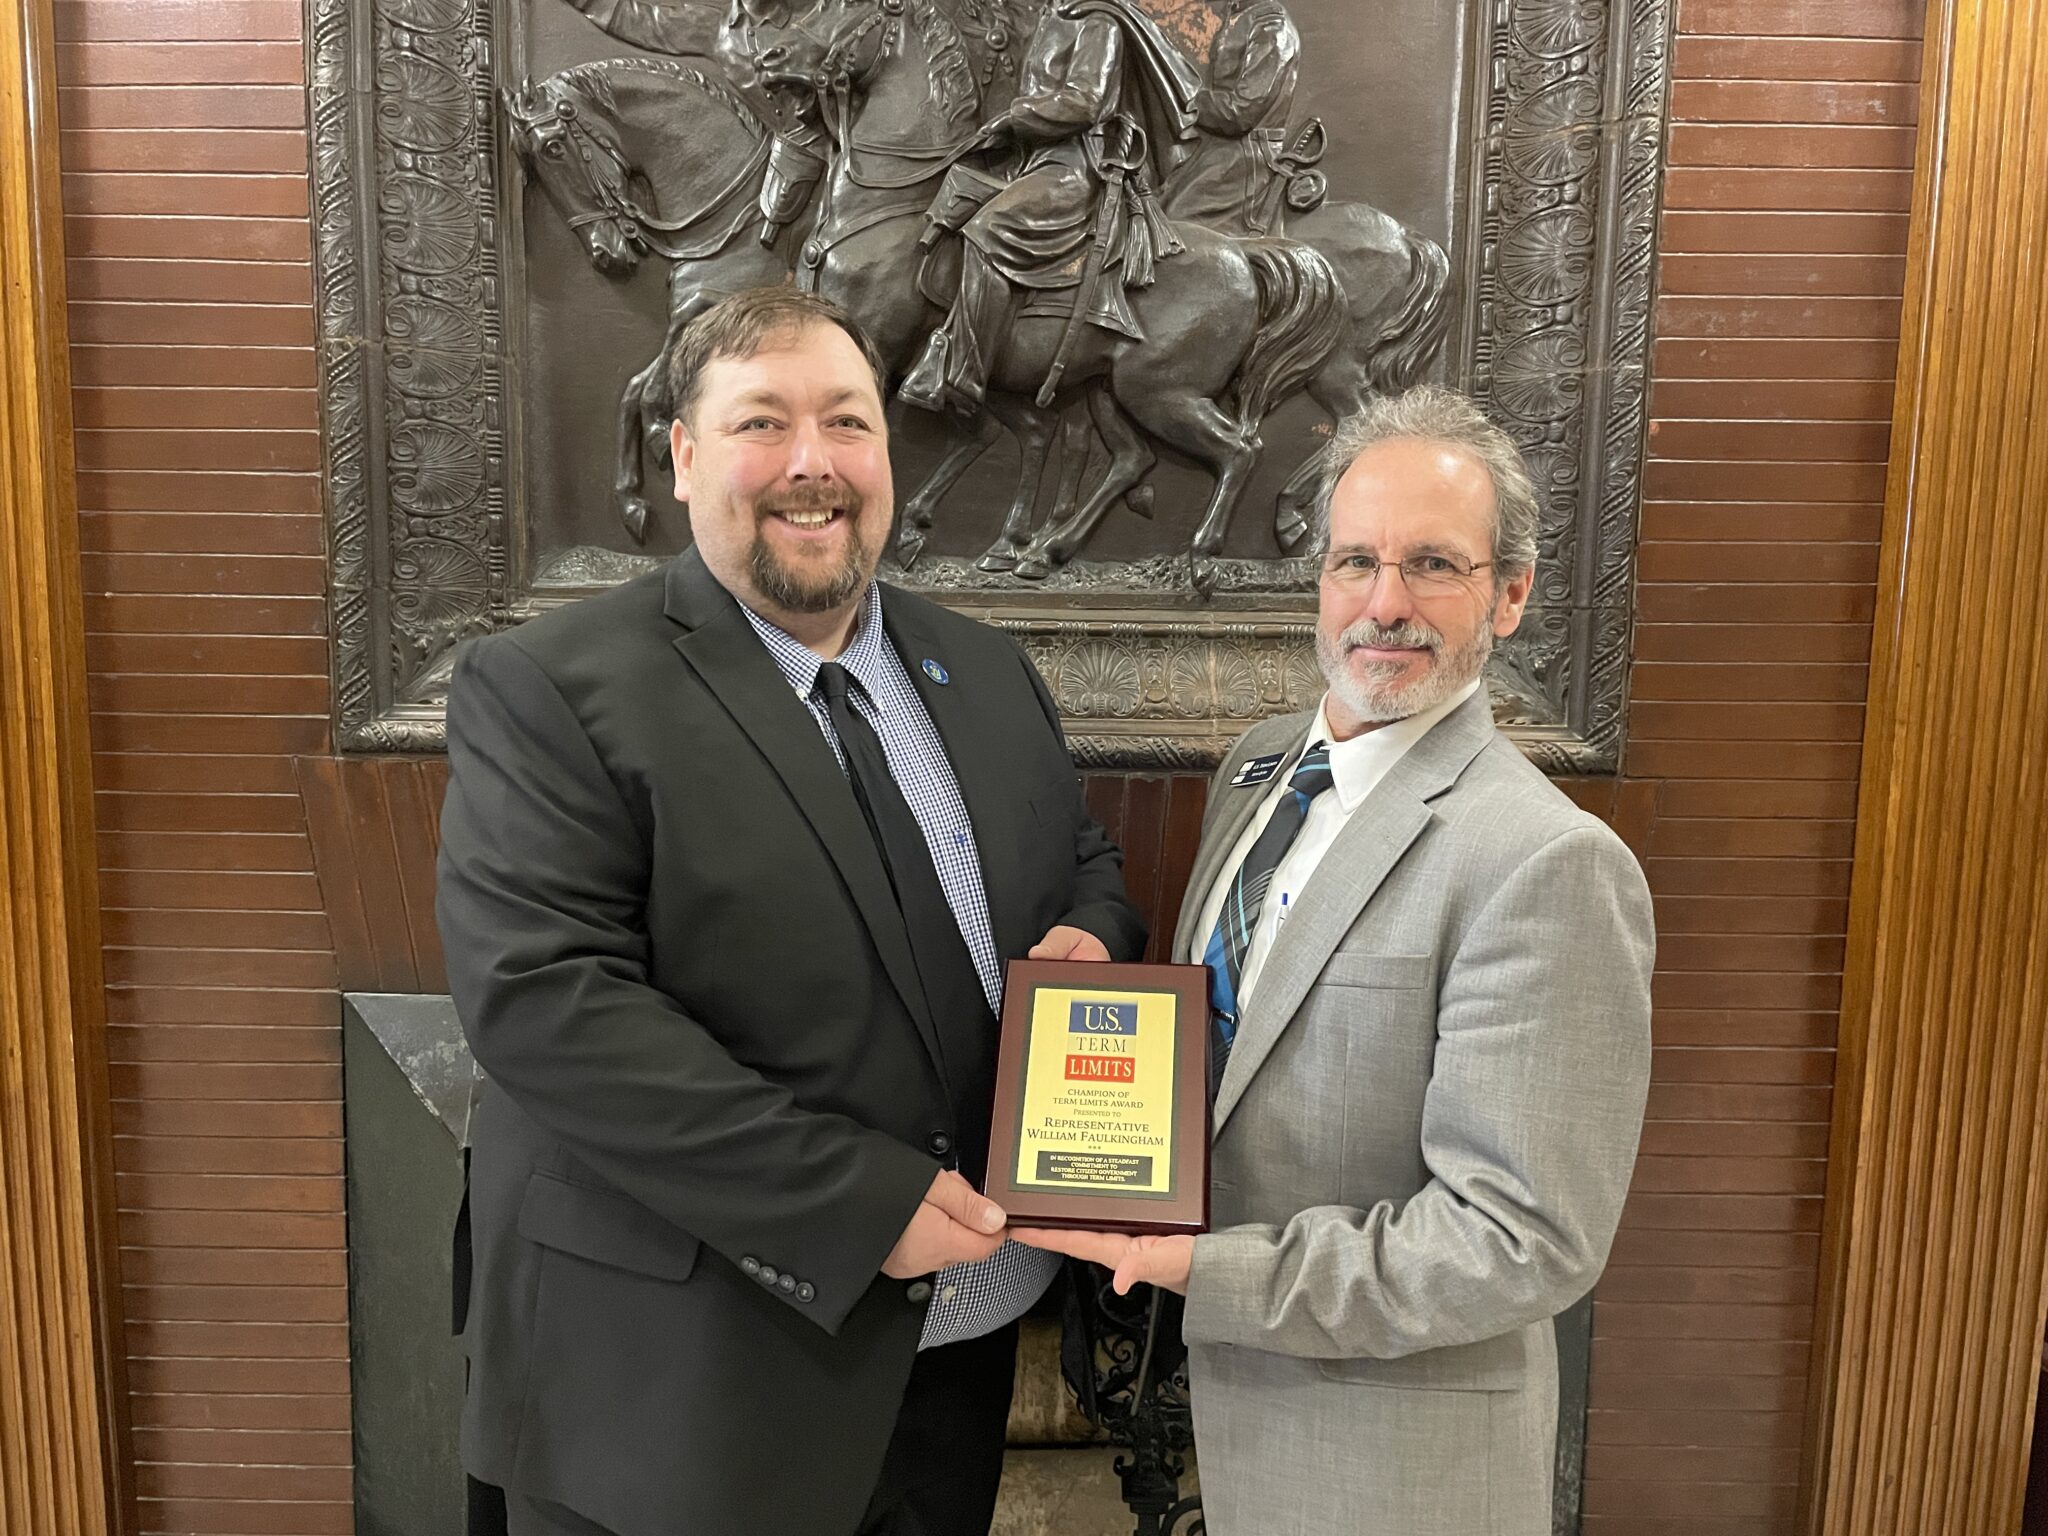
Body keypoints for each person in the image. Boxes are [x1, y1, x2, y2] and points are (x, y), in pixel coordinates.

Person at [437, 287, 1146, 1536]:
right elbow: (550, 1006)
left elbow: (1077, 861)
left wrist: (1091, 935)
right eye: (763, 422)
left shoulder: (981, 670)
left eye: (847, 423)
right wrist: (854, 1205)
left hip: (954, 1358)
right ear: (684, 454)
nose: (811, 464)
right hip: (685, 1387)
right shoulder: (549, 687)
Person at [1019, 385, 1654, 1535]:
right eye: (1354, 561)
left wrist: (1203, 1274)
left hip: (1392, 1468)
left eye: (1432, 565)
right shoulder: (1258, 770)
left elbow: (1519, 1243)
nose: (1384, 604)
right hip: (1207, 1412)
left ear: (1507, 596)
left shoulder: (1548, 864)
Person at [898, 0, 1198, 414]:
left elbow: (1085, 102)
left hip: (1075, 165)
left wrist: (1014, 118)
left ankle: (964, 372)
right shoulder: (1052, 16)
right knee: (956, 199)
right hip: (1032, 157)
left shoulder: (1099, 22)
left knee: (989, 228)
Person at [1159, 0, 1303, 237]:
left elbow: (1241, 113)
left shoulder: (1271, 27)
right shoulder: (1238, 14)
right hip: (1219, 147)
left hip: (1248, 156)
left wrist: (1185, 99)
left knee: (1179, 224)